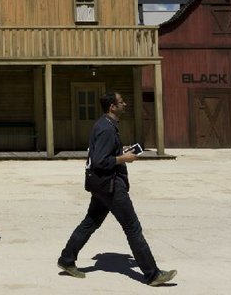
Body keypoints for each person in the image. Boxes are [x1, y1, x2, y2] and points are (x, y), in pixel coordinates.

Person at [57, 91, 177, 287]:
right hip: (111, 186)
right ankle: (152, 274)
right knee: (133, 228)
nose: (125, 104)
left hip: (101, 186)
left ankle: (66, 260)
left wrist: (121, 151)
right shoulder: (106, 129)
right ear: (112, 107)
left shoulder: (105, 125)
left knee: (90, 222)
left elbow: (103, 153)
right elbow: (99, 161)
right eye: (121, 102)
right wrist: (124, 158)